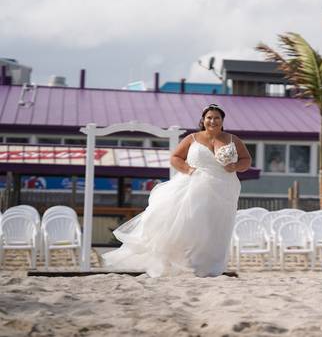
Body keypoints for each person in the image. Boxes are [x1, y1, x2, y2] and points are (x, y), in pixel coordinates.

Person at [102, 103, 252, 277]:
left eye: (217, 118)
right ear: (203, 120)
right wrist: (188, 169)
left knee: (217, 226)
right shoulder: (192, 138)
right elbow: (175, 157)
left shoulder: (232, 139)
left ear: (222, 120)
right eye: (209, 117)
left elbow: (247, 160)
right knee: (192, 220)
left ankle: (209, 266)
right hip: (195, 185)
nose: (213, 121)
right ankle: (185, 260)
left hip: (224, 188)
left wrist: (235, 166)